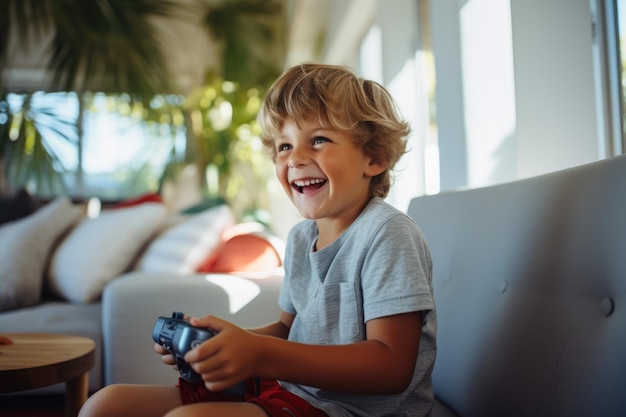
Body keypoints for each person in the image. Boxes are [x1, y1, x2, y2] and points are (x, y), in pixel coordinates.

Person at [77, 63, 437, 417]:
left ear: (374, 158)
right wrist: (225, 345)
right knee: (105, 404)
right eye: (283, 146)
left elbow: (391, 366)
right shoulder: (300, 239)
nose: (295, 158)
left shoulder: (388, 233)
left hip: (352, 410)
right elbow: (286, 329)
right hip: (292, 392)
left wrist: (261, 354)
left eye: (319, 140)